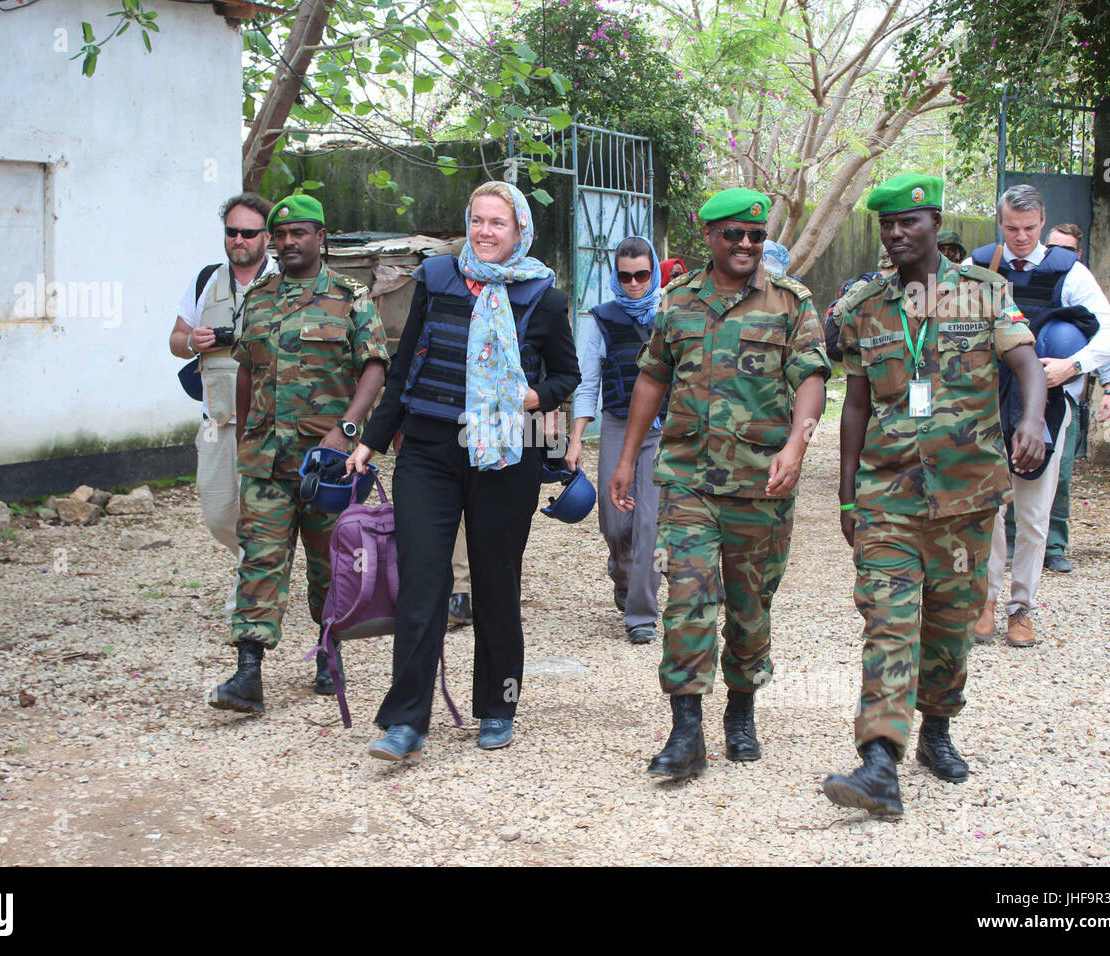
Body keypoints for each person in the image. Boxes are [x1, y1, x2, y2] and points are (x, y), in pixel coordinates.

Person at [822, 174, 1048, 817]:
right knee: (889, 623)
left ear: (934, 222)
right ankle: (879, 762)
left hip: (967, 496)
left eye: (909, 222)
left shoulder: (983, 294)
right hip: (887, 496)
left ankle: (937, 731)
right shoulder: (863, 306)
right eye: (887, 224)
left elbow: (1027, 364)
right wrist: (846, 494)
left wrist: (1031, 420)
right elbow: (856, 404)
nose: (896, 234)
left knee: (950, 629)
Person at [347, 181, 580, 759]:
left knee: (496, 584)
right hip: (429, 448)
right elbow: (404, 367)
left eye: (496, 222)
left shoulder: (542, 296)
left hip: (507, 455)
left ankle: (498, 705)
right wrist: (371, 442)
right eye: (476, 220)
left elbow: (567, 375)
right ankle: (406, 722)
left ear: (520, 230)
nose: (483, 231)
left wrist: (535, 397)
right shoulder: (437, 277)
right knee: (423, 583)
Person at [609, 188, 830, 778]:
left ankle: (741, 707)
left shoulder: (790, 301)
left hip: (763, 483)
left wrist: (796, 446)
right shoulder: (677, 301)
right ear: (708, 236)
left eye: (755, 236)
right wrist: (627, 458)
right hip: (688, 481)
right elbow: (653, 378)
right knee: (687, 599)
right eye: (734, 234)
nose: (746, 245)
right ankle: (686, 731)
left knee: (751, 607)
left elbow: (811, 379)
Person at [208, 195, 389, 713]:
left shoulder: (349, 296)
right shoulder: (259, 298)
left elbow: (375, 365)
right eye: (281, 234)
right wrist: (244, 435)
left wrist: (348, 428)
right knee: (259, 559)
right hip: (265, 459)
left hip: (328, 463)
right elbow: (244, 366)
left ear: (320, 238)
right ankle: (248, 673)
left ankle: (329, 653)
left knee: (330, 565)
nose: (289, 242)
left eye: (300, 233)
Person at [967, 185, 1110, 645]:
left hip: (1048, 402)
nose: (1021, 237)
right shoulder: (977, 266)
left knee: (1034, 513)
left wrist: (1073, 366)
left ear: (1042, 222)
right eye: (1012, 228)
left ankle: (1022, 607)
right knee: (988, 506)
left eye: (1030, 228)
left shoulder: (1067, 269)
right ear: (1000, 223)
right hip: (987, 401)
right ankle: (987, 601)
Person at [169, 193, 277, 615]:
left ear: (266, 237)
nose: (239, 240)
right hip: (217, 418)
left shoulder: (284, 282)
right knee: (217, 513)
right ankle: (259, 559)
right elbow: (175, 341)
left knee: (260, 509)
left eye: (249, 232)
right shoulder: (206, 281)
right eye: (232, 231)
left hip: (268, 419)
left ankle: (252, 594)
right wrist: (191, 340)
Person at [566, 235, 663, 645]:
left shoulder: (670, 314)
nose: (634, 284)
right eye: (625, 277)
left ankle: (641, 615)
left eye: (642, 275)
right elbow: (587, 384)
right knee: (614, 519)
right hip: (617, 426)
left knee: (648, 525)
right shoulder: (602, 320)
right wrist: (575, 440)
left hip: (662, 429)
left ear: (654, 272)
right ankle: (621, 571)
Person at [1038, 223, 1110, 573]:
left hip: (1067, 397)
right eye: (1054, 248)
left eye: (1067, 250)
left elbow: (1101, 340)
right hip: (1020, 391)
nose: (1060, 256)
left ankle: (1054, 545)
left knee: (1062, 473)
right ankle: (1013, 539)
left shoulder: (1079, 282)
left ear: (1078, 254)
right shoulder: (1033, 279)